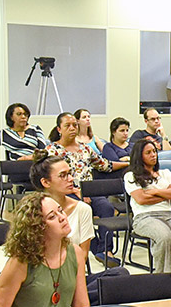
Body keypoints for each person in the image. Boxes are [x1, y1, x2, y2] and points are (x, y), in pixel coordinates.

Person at [45, 112, 126, 265]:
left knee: (107, 208)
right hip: (66, 193)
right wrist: (76, 191)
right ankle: (92, 249)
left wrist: (127, 164)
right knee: (83, 209)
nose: (72, 128)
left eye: (74, 125)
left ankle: (105, 250)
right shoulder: (53, 150)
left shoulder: (85, 149)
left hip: (90, 191)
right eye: (67, 125)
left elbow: (105, 165)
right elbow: (53, 178)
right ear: (59, 129)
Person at [125, 138, 171, 290]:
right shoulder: (131, 176)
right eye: (148, 153)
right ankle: (162, 281)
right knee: (165, 238)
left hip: (169, 214)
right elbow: (141, 199)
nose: (154, 155)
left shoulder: (165, 173)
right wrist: (166, 193)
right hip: (144, 217)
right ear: (139, 156)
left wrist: (154, 191)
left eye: (154, 151)